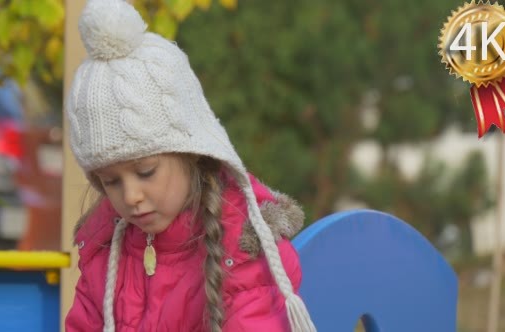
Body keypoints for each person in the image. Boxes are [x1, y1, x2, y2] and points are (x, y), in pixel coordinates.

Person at [64, 0, 317, 331]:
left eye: (145, 172)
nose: (131, 195)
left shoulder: (242, 255)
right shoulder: (104, 253)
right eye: (110, 181)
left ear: (191, 151)